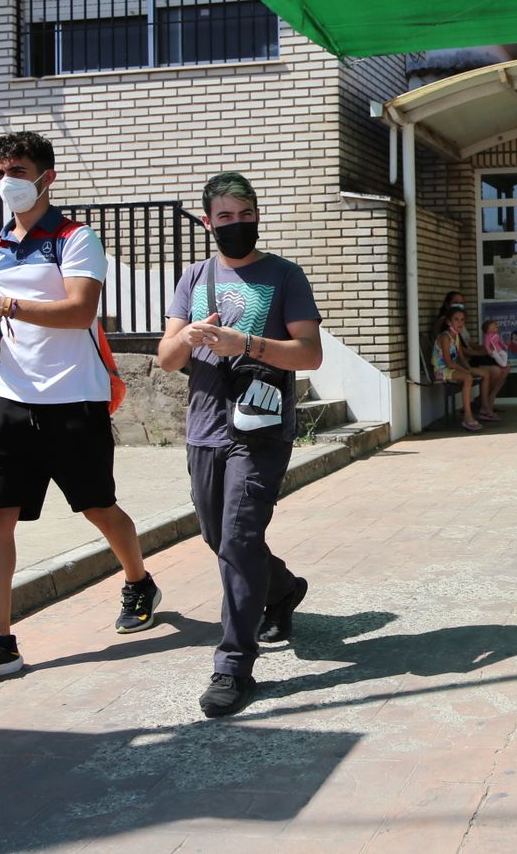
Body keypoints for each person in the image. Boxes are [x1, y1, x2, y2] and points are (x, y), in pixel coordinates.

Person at [0, 131, 162, 692]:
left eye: (17, 170)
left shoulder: (75, 238)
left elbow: (80, 310)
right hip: (10, 400)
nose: (6, 180)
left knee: (99, 507)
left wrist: (3, 303)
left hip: (74, 400)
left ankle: (138, 581)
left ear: (46, 177)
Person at [159, 172, 323, 718]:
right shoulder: (194, 277)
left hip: (261, 429)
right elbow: (167, 358)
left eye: (244, 214)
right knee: (219, 536)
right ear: (208, 222)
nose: (236, 224)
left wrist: (246, 342)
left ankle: (233, 664)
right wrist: (187, 336)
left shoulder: (284, 275)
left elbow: (309, 353)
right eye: (224, 216)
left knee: (238, 535)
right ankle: (282, 590)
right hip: (205, 426)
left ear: (257, 215)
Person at [432, 305, 492, 430]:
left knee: (485, 373)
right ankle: (467, 417)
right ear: (449, 322)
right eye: (456, 319)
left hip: (453, 368)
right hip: (442, 370)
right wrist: (466, 371)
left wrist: (468, 368)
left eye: (462, 320)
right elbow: (448, 363)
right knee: (468, 377)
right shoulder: (445, 337)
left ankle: (485, 408)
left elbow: (462, 358)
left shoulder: (456, 336)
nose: (460, 322)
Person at [480, 318, 512, 394]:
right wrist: (489, 350)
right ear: (488, 330)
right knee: (496, 356)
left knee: (504, 354)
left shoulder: (497, 335)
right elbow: (486, 344)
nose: (496, 328)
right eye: (493, 327)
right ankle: (502, 364)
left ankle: (503, 363)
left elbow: (500, 342)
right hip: (493, 350)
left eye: (496, 327)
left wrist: (504, 346)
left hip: (499, 349)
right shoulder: (487, 336)